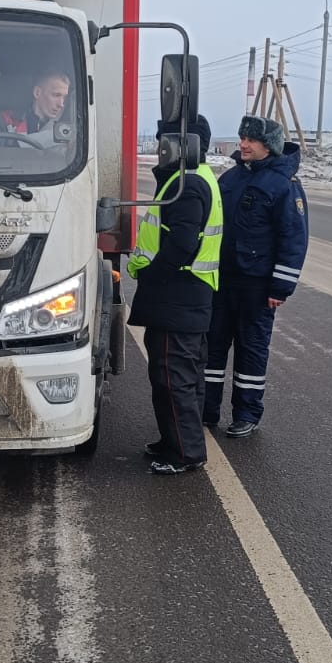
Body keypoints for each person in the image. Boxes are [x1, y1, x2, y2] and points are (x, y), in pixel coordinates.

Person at [127, 115, 223, 476]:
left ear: (185, 146)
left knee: (175, 378)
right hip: (185, 299)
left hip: (177, 298)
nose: (158, 147)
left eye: (163, 141)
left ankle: (185, 453)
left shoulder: (187, 185)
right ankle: (174, 441)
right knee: (182, 376)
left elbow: (182, 244)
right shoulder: (192, 180)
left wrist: (152, 274)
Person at [203, 114, 309, 438]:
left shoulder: (284, 185)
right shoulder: (231, 179)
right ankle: (205, 409)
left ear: (269, 146)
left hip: (258, 285)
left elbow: (294, 239)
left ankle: (246, 413)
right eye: (242, 138)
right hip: (222, 281)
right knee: (212, 346)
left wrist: (281, 286)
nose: (243, 144)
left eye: (251, 140)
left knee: (251, 349)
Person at [0, 70, 71, 137]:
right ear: (37, 93)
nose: (61, 104)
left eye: (64, 97)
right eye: (56, 95)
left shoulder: (65, 127)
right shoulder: (3, 121)